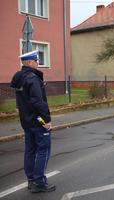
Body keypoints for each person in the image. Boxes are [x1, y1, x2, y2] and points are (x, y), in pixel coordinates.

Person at [10, 50, 56, 193]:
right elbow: (38, 102)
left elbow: (20, 103)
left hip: (26, 121)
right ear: (30, 62)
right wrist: (47, 121)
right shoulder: (32, 78)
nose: (38, 63)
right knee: (44, 150)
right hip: (38, 121)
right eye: (36, 61)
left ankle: (31, 179)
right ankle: (39, 182)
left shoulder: (19, 77)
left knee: (30, 151)